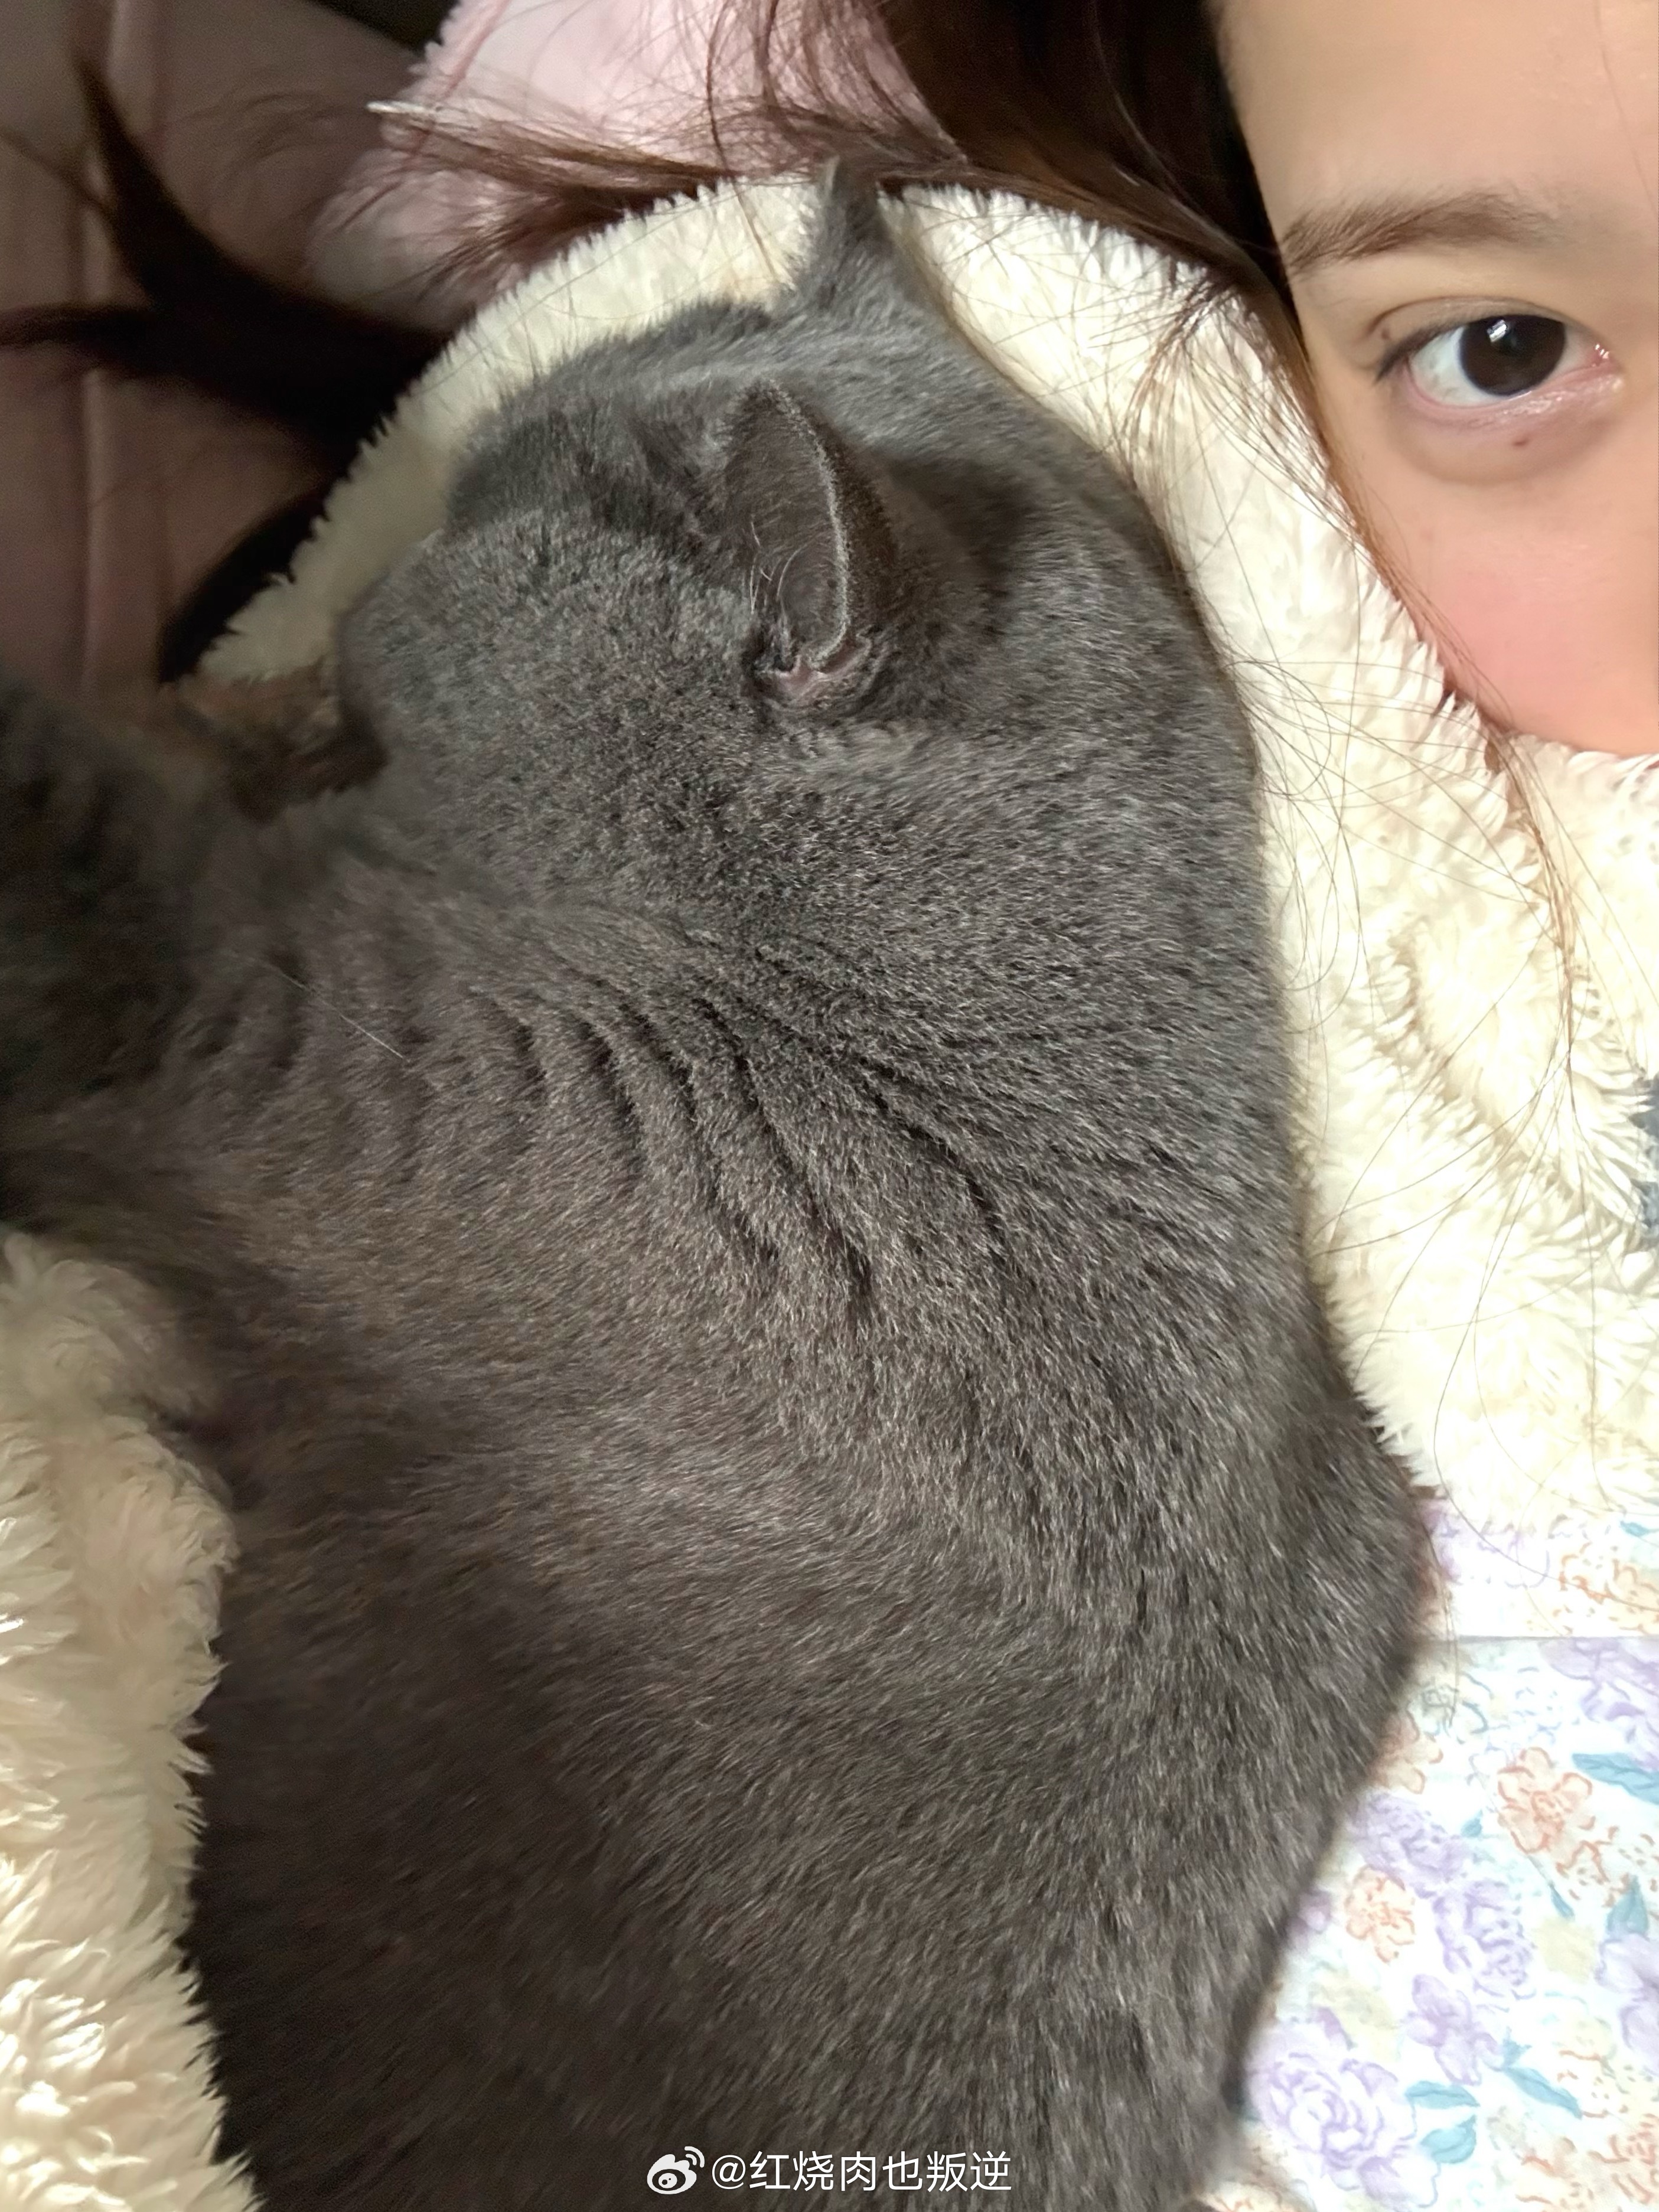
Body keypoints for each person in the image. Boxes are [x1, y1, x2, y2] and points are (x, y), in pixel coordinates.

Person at [1, 3, 1654, 2207]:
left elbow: (133, 987)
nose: (367, 629)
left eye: (453, 565)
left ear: (797, 653)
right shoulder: (962, 1163)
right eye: (1497, 346)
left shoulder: (686, 1191)